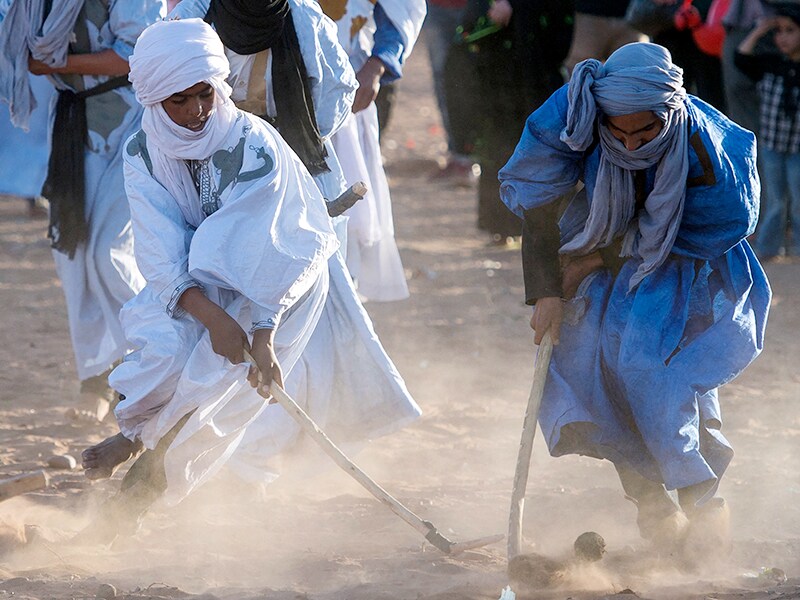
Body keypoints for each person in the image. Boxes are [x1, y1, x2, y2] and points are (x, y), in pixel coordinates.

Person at [81, 18, 420, 504]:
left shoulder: (252, 146)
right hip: (194, 277)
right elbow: (159, 249)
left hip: (280, 281)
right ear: (154, 100)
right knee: (163, 348)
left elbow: (272, 253)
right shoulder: (143, 151)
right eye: (180, 100)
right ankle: (135, 435)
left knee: (221, 383)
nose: (198, 110)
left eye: (205, 94)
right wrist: (210, 315)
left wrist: (263, 334)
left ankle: (147, 485)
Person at [499, 42, 770, 553]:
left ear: (669, 113)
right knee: (587, 363)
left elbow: (717, 227)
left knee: (653, 369)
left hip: (688, 261)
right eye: (617, 134)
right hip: (594, 242)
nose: (629, 144)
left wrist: (596, 262)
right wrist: (546, 292)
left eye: (645, 132)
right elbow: (538, 206)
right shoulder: (577, 113)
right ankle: (651, 504)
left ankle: (702, 503)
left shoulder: (709, 150)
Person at [0, 0, 165, 421]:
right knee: (72, 254)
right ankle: (98, 376)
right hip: (74, 125)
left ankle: (158, 362)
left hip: (132, 128)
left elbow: (137, 56)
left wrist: (58, 64)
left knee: (107, 253)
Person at [319, 0, 425, 301]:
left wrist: (377, 64)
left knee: (346, 214)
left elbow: (404, 8)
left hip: (345, 88)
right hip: (267, 90)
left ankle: (342, 304)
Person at [462, 0, 574, 245]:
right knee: (499, 150)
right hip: (497, 81)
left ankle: (551, 227)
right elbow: (468, 32)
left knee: (547, 152)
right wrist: (493, 16)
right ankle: (501, 226)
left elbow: (561, 36)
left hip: (540, 79)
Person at [735, 3, 800, 260]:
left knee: (798, 200)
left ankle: (797, 248)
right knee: (774, 200)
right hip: (772, 145)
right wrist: (761, 30)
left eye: (790, 30)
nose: (782, 36)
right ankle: (768, 247)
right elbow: (741, 57)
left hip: (797, 148)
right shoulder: (771, 63)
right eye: (779, 31)